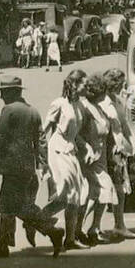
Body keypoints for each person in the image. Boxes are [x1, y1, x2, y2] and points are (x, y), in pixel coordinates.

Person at [0, 75, 63, 259]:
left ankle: (50, 230)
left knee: (10, 206)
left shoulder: (9, 110)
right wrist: (42, 163)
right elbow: (41, 141)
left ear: (11, 92)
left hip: (12, 166)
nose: (1, 97)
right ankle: (3, 245)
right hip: (27, 167)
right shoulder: (33, 111)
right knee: (12, 206)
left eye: (4, 93)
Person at [42, 69, 88, 250]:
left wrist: (86, 146)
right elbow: (45, 129)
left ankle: (69, 239)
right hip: (58, 150)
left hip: (71, 151)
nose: (87, 86)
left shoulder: (80, 105)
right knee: (64, 195)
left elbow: (77, 133)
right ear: (75, 84)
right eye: (84, 83)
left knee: (75, 197)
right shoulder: (59, 104)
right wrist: (39, 152)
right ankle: (36, 221)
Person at [78, 74, 117, 244]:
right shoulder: (85, 109)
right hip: (89, 158)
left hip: (100, 157)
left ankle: (92, 228)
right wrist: (86, 148)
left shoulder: (97, 107)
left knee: (99, 194)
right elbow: (76, 134)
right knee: (99, 191)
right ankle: (79, 229)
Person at [101, 69, 135, 240]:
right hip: (108, 150)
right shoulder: (103, 102)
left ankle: (118, 224)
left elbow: (125, 126)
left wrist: (134, 146)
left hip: (118, 150)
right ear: (114, 83)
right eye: (121, 83)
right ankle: (104, 226)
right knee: (107, 188)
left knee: (118, 188)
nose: (124, 86)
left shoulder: (118, 101)